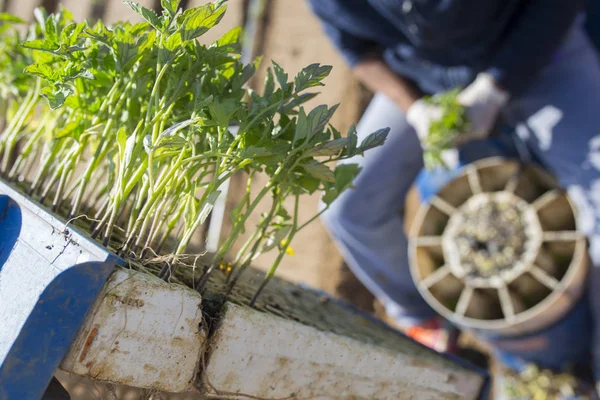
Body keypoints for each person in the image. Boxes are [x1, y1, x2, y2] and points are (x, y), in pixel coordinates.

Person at [307, 0, 600, 385]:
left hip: (542, 57)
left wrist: (496, 87)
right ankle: (422, 317)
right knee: (346, 208)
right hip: (429, 87)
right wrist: (413, 108)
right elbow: (356, 49)